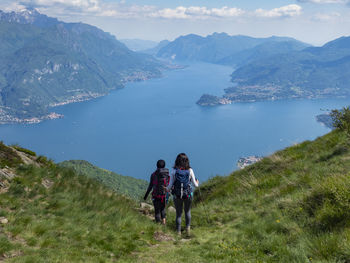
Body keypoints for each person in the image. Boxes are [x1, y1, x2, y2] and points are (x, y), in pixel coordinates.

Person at [166, 153, 199, 236]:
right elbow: (195, 185)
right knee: (187, 211)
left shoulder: (174, 171)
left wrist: (165, 189)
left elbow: (169, 186)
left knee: (178, 213)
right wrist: (197, 182)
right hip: (188, 195)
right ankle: (188, 229)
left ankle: (178, 232)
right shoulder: (190, 170)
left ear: (177, 161)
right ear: (187, 161)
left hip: (177, 196)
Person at [144, 159, 169, 225]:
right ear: (164, 166)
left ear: (157, 166)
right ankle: (164, 222)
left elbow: (150, 186)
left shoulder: (153, 175)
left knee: (157, 210)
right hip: (164, 195)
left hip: (156, 195)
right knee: (163, 208)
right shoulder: (167, 174)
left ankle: (158, 226)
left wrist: (146, 196)